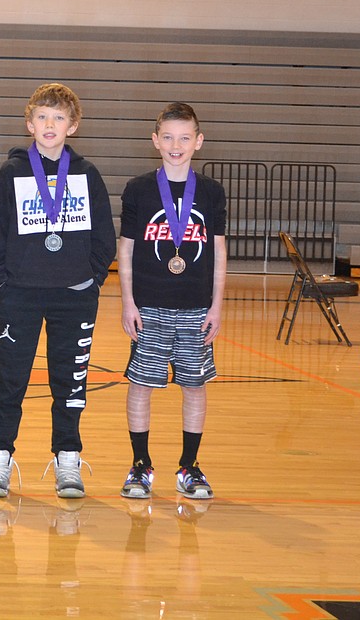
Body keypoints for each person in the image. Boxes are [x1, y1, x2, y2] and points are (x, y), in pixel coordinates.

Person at [0, 83, 115, 499]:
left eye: (58, 118)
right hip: (19, 294)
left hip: (73, 296)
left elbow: (104, 237)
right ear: (29, 124)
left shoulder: (86, 174)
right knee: (10, 380)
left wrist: (90, 279)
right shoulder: (12, 172)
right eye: (42, 117)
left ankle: (67, 459)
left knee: (70, 382)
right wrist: (3, 280)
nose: (49, 124)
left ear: (73, 126)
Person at [118, 102, 226, 501]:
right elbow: (126, 250)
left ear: (198, 142)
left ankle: (189, 466)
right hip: (149, 306)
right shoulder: (139, 189)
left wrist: (217, 306)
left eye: (184, 138)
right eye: (168, 137)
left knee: (195, 387)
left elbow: (218, 251)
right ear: (155, 140)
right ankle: (141, 465)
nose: (175, 145)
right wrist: (128, 302)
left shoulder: (212, 192)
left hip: (197, 307)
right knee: (141, 386)